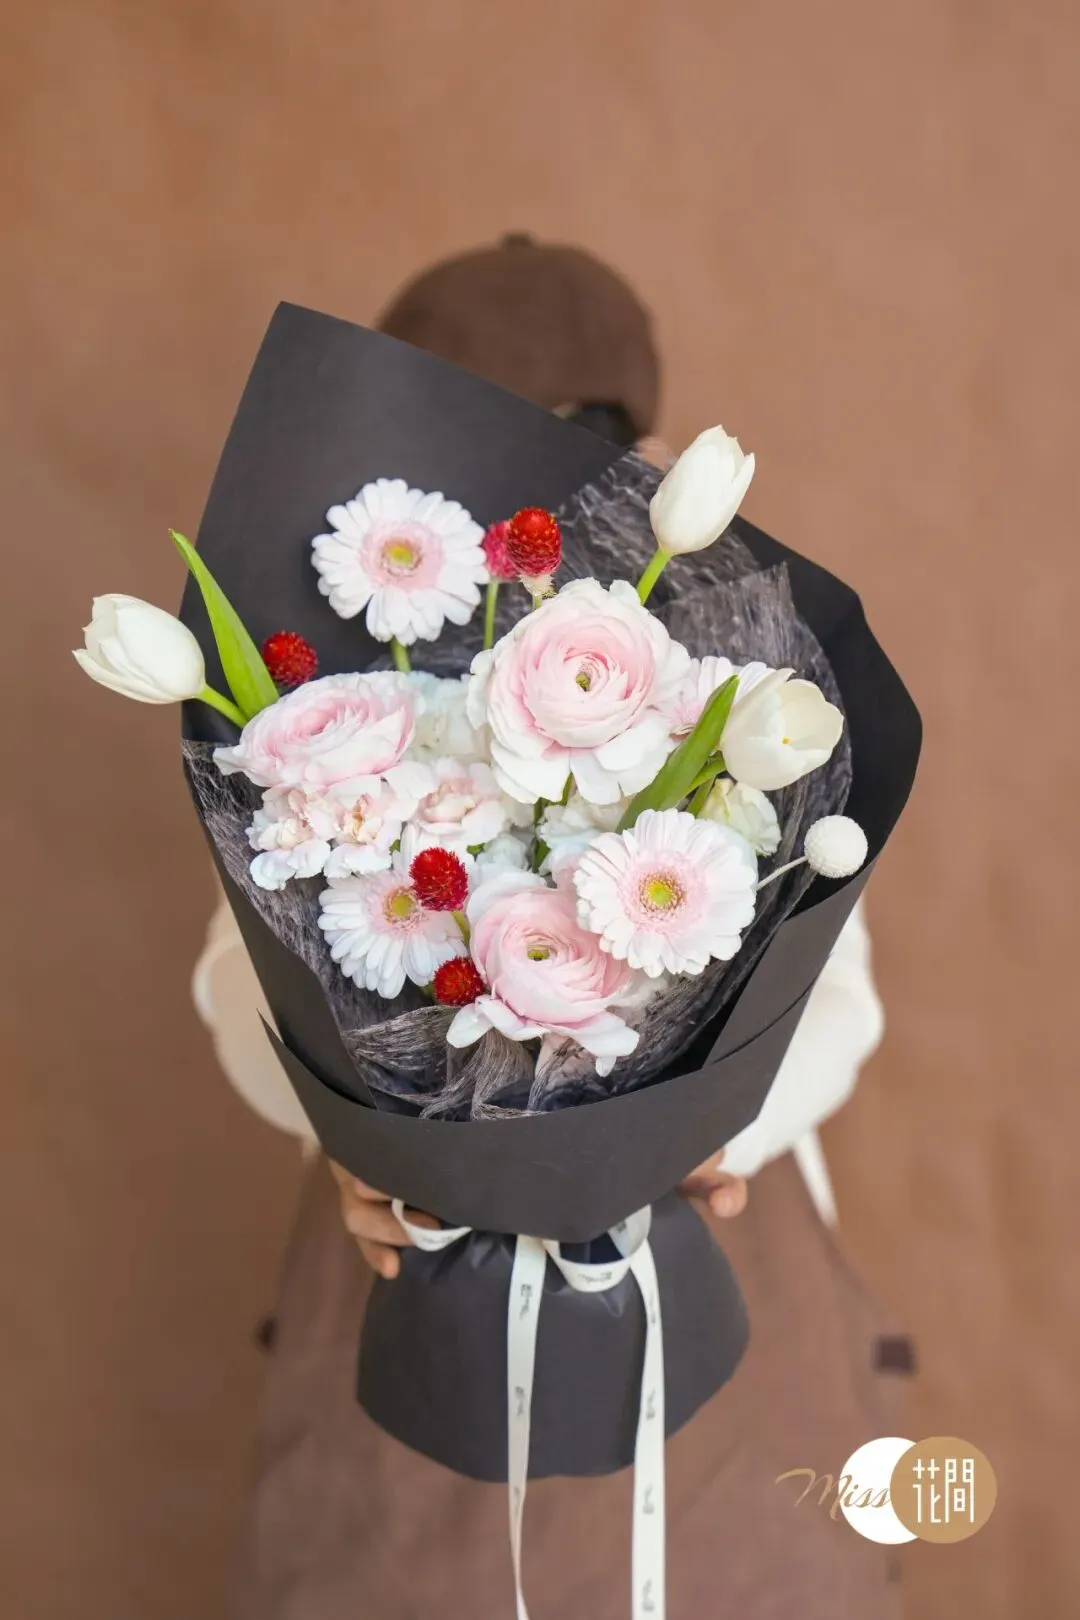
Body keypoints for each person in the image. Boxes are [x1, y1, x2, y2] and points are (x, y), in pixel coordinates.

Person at [195, 236, 910, 1618]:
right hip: (400, 1252)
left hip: (715, 1256)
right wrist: (369, 1138)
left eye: (571, 448)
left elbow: (842, 991)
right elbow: (238, 975)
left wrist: (690, 1135)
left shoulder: (729, 671)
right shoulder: (323, 696)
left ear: (643, 456)